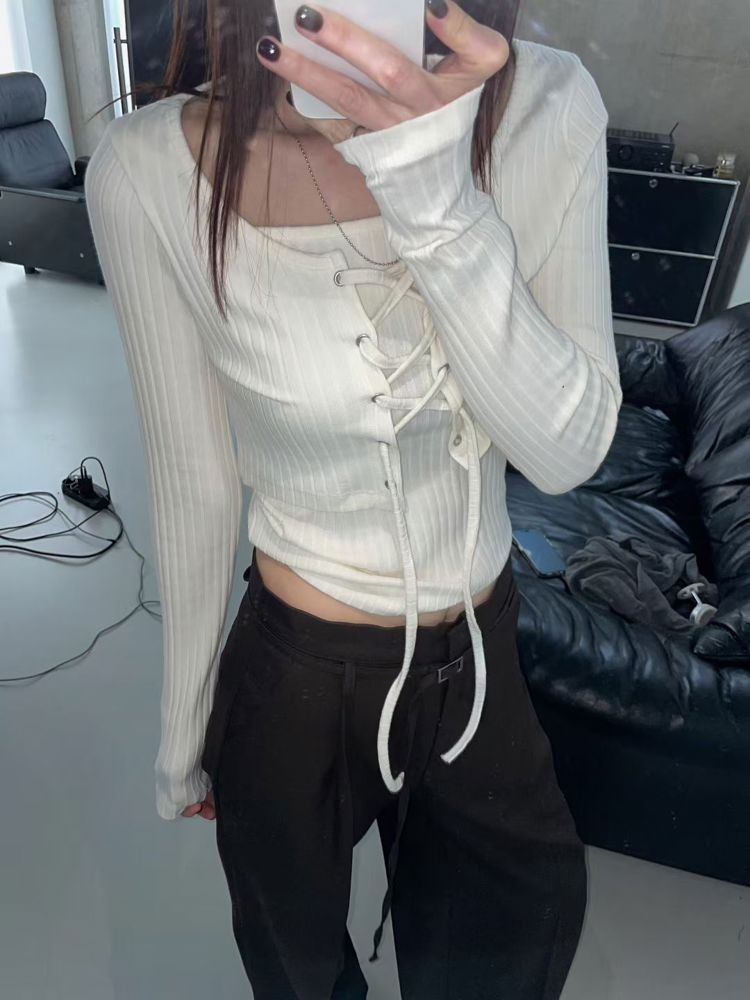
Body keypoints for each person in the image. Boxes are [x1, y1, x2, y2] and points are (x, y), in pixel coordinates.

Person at [86, 1, 623, 997]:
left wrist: (432, 189)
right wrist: (184, 729)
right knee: (299, 973)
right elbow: (194, 474)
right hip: (293, 673)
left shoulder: (549, 105)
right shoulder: (149, 168)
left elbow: (566, 452)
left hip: (482, 656)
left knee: (511, 952)